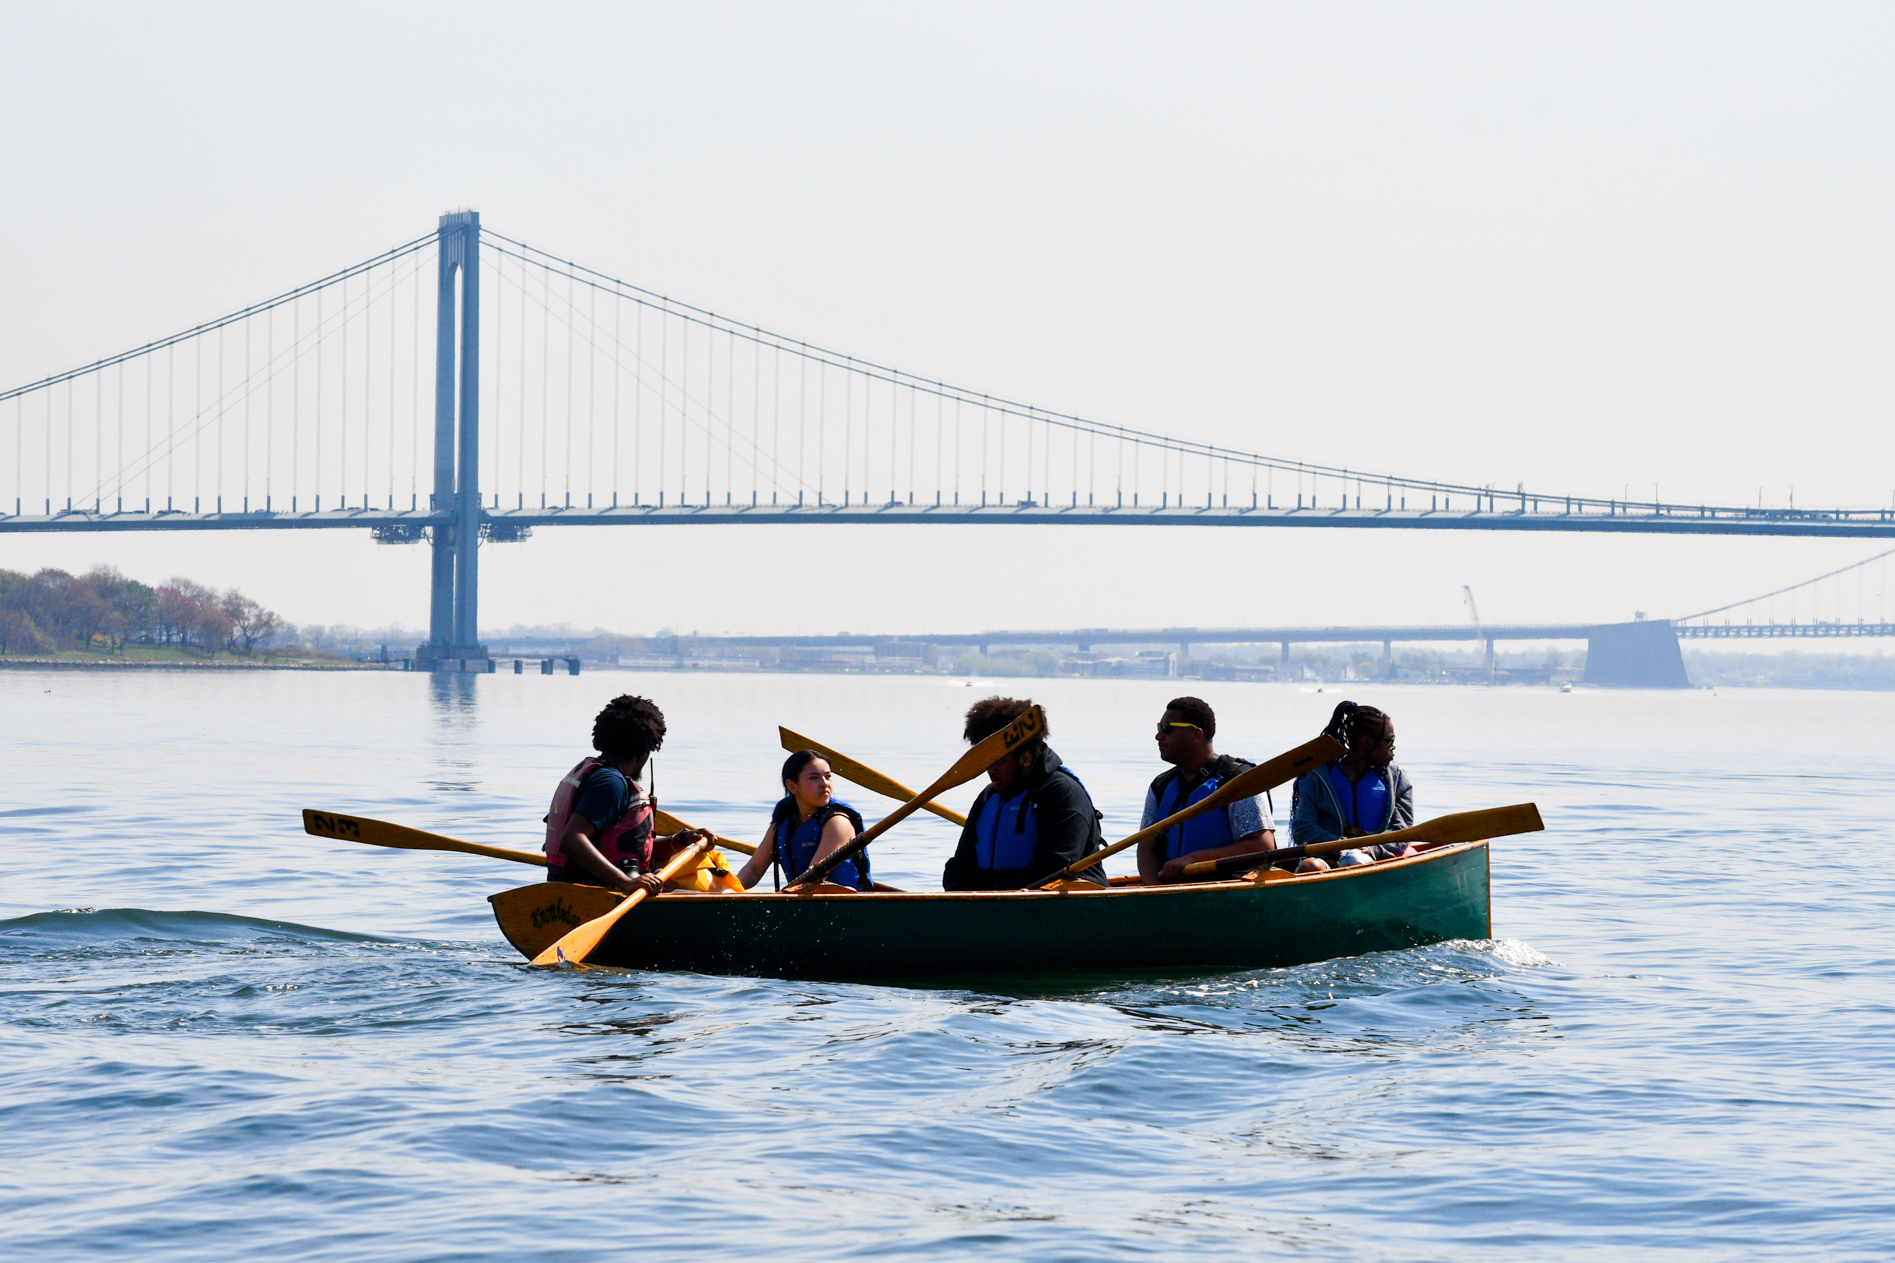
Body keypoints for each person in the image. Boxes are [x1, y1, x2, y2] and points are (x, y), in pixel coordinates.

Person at [542, 694, 711, 894]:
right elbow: (572, 840)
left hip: (571, 890)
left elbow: (624, 848)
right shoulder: (611, 784)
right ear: (644, 753)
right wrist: (626, 882)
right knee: (707, 896)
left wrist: (680, 840)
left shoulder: (595, 774)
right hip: (599, 895)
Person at [943, 696, 1107, 891]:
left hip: (1061, 902)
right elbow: (961, 862)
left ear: (1026, 759)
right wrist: (958, 892)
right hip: (996, 901)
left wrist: (998, 896)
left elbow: (1056, 865)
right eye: (986, 763)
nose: (990, 770)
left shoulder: (1064, 793)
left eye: (998, 762)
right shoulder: (988, 797)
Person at [1139, 696, 1276, 884]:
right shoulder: (1160, 786)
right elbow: (1146, 848)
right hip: (1170, 890)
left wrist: (1193, 859)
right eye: (1159, 728)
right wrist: (1154, 890)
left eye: (1167, 728)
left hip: (1230, 885)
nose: (1159, 736)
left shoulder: (1239, 780)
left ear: (1196, 735)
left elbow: (1262, 846)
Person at [1288, 700, 1416, 872]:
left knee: (1355, 859)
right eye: (1389, 741)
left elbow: (1402, 832)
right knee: (1310, 865)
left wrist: (1371, 849)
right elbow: (1304, 828)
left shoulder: (1398, 779)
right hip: (1330, 858)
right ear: (1366, 742)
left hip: (1379, 860)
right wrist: (1341, 847)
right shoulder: (1317, 776)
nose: (1393, 747)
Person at [736, 750, 872, 891]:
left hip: (842, 905)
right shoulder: (783, 821)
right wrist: (729, 890)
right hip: (799, 900)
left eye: (828, 776)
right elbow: (754, 869)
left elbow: (812, 879)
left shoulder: (838, 822)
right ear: (792, 786)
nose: (824, 783)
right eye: (814, 778)